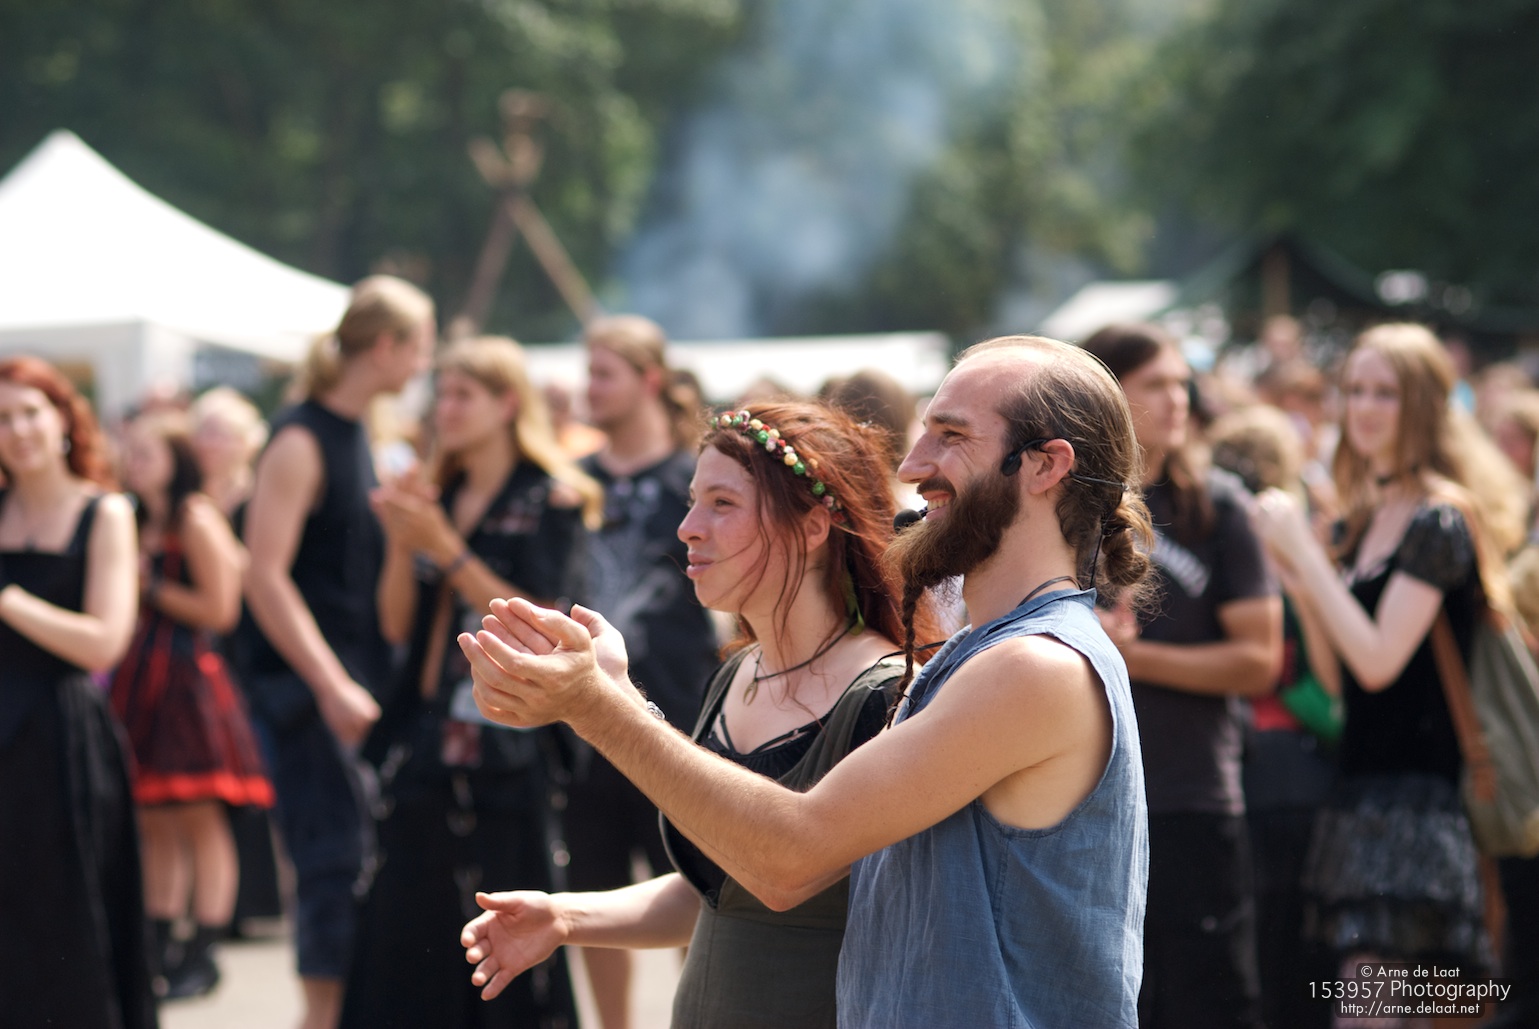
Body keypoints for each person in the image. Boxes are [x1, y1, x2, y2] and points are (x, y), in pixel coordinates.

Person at [461, 336, 1156, 1028]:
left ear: (1045, 465)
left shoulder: (1034, 665)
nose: (913, 466)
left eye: (950, 436)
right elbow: (743, 879)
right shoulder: (985, 655)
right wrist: (569, 912)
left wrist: (597, 703)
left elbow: (789, 859)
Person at [449, 399, 939, 1027]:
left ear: (814, 527)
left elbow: (782, 873)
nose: (687, 527)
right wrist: (566, 917)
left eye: (722, 503)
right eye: (691, 501)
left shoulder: (886, 693)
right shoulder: (737, 673)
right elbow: (722, 890)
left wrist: (601, 703)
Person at [1252, 323, 1529, 1025]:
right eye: (1354, 390)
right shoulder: (1365, 516)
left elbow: (1378, 662)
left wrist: (1305, 557)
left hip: (1424, 798)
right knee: (1385, 1008)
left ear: (1425, 405)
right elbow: (1338, 680)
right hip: (1362, 789)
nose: (1364, 408)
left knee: (1369, 1009)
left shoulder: (1440, 518)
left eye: (1385, 392)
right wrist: (1303, 579)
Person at [339, 336, 600, 1027]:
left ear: (507, 403)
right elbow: (398, 623)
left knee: (506, 935)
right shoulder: (441, 494)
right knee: (407, 937)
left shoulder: (551, 499)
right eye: (442, 395)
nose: (446, 409)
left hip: (507, 742)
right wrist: (405, 542)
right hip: (427, 736)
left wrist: (445, 548)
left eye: (463, 395)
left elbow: (541, 620)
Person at [240, 274, 435, 1029]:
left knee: (360, 878)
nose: (422, 364)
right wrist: (328, 683)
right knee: (332, 873)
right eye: (419, 347)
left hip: (355, 688)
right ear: (384, 347)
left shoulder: (362, 434)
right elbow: (263, 573)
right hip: (309, 698)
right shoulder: (299, 438)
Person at [1081, 323, 1282, 1029]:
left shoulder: (1216, 508)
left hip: (1194, 795)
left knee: (1211, 1002)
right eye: (1155, 384)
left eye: (1181, 383)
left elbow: (1258, 659)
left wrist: (1135, 659)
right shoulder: (1067, 504)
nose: (1177, 399)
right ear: (1107, 393)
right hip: (1084, 799)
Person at [566, 313, 720, 1028]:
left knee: (695, 887)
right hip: (587, 719)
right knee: (594, 888)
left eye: (605, 373)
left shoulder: (695, 478)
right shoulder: (573, 483)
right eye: (587, 372)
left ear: (648, 379)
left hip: (678, 714)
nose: (589, 388)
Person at [0, 356, 155, 1028]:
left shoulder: (105, 511)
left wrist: (8, 600)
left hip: (62, 741)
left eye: (29, 412)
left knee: (67, 915)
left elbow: (104, 641)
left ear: (63, 419)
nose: (17, 430)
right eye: (1, 418)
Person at [110, 410, 275, 999]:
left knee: (200, 819)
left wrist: (150, 587)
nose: (134, 463)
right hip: (143, 675)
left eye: (147, 453)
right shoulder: (134, 518)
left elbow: (220, 609)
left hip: (186, 680)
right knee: (154, 818)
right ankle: (161, 948)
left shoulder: (194, 518)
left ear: (175, 459)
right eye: (132, 453)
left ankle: (202, 951)